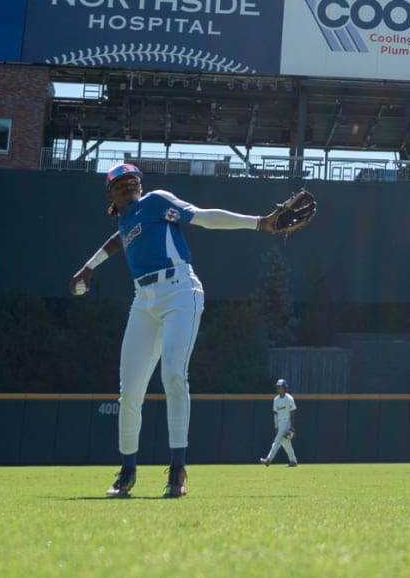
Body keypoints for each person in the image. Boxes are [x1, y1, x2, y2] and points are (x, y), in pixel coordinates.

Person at [69, 163, 304, 499]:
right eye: (119, 183)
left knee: (173, 376)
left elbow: (204, 217)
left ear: (140, 185)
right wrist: (88, 267)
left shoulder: (155, 201)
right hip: (143, 300)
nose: (127, 185)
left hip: (180, 290)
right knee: (129, 392)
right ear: (110, 195)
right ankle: (127, 473)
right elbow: (118, 241)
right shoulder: (126, 222)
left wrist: (259, 223)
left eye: (132, 180)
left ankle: (177, 469)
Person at [262, 379, 298, 468]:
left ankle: (268, 459)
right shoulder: (276, 399)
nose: (278, 389)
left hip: (287, 422)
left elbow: (292, 412)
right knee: (285, 443)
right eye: (277, 387)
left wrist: (291, 426)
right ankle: (293, 461)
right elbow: (275, 413)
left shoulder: (289, 399)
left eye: (280, 387)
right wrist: (276, 426)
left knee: (277, 441)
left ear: (285, 388)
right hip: (280, 422)